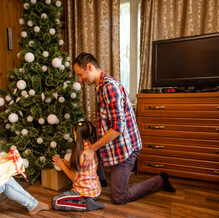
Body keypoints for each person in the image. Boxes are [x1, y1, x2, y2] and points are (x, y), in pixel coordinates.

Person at [72, 53, 176, 205]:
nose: (80, 80)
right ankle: (103, 180)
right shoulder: (101, 86)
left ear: (89, 67)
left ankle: (160, 180)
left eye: (80, 75)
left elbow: (117, 128)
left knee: (119, 197)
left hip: (126, 149)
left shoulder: (109, 87)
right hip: (116, 147)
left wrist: (93, 148)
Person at [51, 120, 105, 211]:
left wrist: (62, 165)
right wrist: (68, 164)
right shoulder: (92, 149)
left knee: (56, 202)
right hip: (95, 190)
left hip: (84, 192)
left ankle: (87, 205)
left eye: (74, 134)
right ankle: (88, 201)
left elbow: (73, 177)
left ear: (78, 136)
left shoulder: (79, 154)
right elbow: (83, 170)